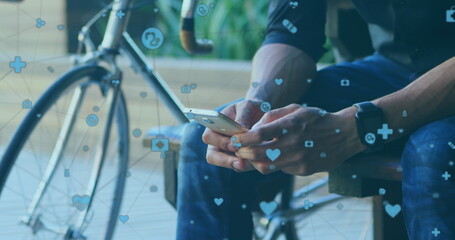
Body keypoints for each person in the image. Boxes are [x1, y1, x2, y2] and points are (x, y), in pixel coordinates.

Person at [176, 0, 455, 239]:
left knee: (433, 151)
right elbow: (290, 33)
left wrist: (359, 126)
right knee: (211, 142)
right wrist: (259, 108)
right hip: (395, 65)